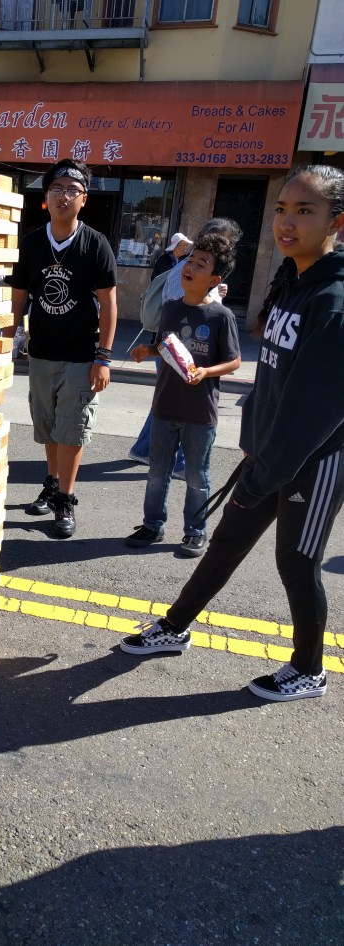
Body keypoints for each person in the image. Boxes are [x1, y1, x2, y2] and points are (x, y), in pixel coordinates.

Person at [120, 164, 344, 703]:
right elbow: (268, 378)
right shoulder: (294, 278)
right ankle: (175, 627)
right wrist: (253, 448)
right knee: (224, 545)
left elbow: (318, 409)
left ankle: (309, 669)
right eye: (282, 210)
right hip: (269, 455)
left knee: (297, 561)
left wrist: (264, 472)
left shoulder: (333, 300)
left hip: (315, 462)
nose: (287, 222)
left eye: (304, 211)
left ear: (338, 220)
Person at [9, 157, 118, 538]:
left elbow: (109, 303)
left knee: (72, 431)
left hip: (80, 355)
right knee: (49, 428)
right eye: (56, 189)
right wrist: (12, 336)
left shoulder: (95, 244)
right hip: (41, 352)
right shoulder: (33, 242)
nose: (63, 196)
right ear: (45, 198)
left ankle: (66, 502)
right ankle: (52, 485)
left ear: (83, 199)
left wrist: (103, 357)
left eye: (72, 190)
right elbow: (19, 295)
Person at [124, 232, 241, 557]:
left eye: (200, 264)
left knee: (196, 477)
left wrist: (206, 372)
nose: (190, 267)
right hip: (165, 407)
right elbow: (166, 347)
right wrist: (147, 350)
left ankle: (195, 531)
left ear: (214, 279)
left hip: (200, 414)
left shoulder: (221, 316)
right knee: (157, 473)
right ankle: (152, 524)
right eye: (190, 260)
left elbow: (234, 361)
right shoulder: (171, 308)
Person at [128, 217, 243, 473]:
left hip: (180, 347)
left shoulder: (192, 268)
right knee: (179, 405)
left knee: (169, 402)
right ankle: (178, 463)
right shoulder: (188, 270)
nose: (223, 247)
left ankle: (143, 450)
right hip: (180, 348)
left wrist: (215, 293)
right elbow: (188, 306)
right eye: (221, 241)